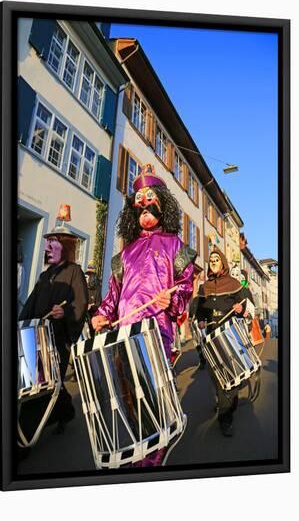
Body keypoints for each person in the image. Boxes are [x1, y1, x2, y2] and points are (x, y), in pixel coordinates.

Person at [92, 164, 196, 466]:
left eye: (151, 207)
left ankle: (153, 458)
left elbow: (185, 286)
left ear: (162, 208)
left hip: (155, 332)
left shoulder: (175, 245)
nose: (145, 214)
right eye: (140, 209)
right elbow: (113, 296)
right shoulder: (123, 254)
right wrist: (101, 315)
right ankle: (141, 446)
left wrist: (173, 296)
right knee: (128, 396)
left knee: (152, 392)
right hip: (123, 332)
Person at [19, 225, 88, 436]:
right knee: (47, 382)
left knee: (45, 383)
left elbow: (80, 303)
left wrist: (65, 312)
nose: (47, 248)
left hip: (58, 338)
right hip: (38, 337)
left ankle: (26, 433)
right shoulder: (44, 275)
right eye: (47, 243)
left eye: (53, 243)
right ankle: (65, 411)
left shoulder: (74, 271)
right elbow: (30, 304)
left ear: (64, 246)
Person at [195, 247, 246, 437]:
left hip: (230, 334)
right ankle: (226, 402)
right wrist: (200, 318)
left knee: (230, 374)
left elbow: (244, 302)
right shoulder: (204, 287)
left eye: (217, 259)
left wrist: (240, 308)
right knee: (215, 375)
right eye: (211, 259)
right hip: (211, 335)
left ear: (223, 263)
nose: (214, 261)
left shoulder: (233, 283)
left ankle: (225, 417)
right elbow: (200, 308)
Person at [84, 261, 102, 338]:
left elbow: (98, 304)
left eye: (86, 277)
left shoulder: (96, 289)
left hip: (91, 319)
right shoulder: (82, 288)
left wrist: (91, 306)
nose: (84, 279)